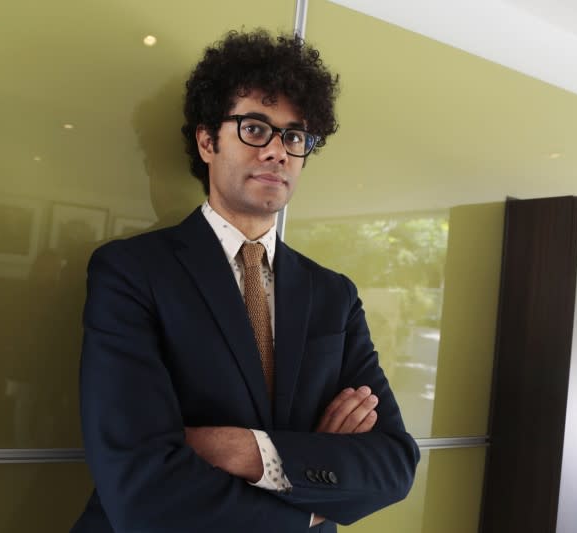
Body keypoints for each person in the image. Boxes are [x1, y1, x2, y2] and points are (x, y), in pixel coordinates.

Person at [72, 30, 419, 533]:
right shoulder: (131, 272)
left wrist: (242, 449)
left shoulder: (333, 296)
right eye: (256, 128)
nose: (279, 152)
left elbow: (392, 465)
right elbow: (139, 486)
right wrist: (309, 503)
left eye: (295, 136)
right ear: (207, 140)